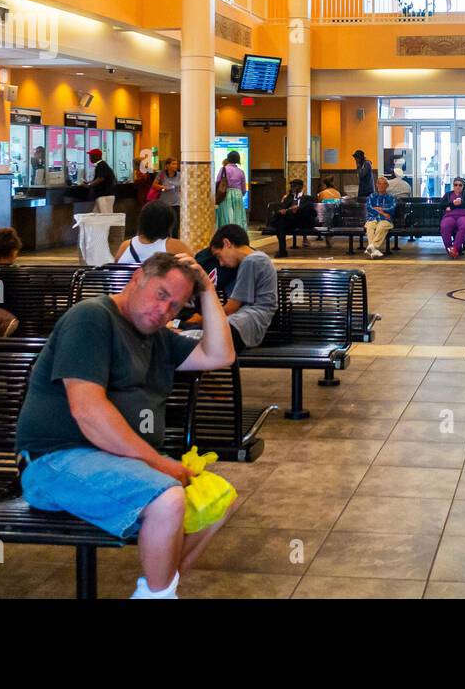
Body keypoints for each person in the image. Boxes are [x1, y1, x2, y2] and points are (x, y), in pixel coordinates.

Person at [14, 252, 237, 599]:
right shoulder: (92, 318)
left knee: (218, 500)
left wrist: (207, 290)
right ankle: (159, 594)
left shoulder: (156, 335)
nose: (163, 311)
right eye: (161, 294)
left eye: (175, 306)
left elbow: (220, 355)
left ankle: (156, 592)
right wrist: (159, 463)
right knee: (168, 500)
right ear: (136, 279)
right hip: (55, 461)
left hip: (115, 462)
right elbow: (87, 410)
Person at [186, 225, 279, 352]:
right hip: (247, 320)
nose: (221, 263)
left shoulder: (251, 261)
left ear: (227, 243)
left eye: (219, 256)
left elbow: (232, 307)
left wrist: (203, 318)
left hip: (248, 321)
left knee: (194, 339)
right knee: (195, 337)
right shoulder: (258, 258)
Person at [115, 202, 193, 264]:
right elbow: (193, 268)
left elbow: (116, 267)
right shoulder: (176, 246)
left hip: (127, 284)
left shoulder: (125, 246)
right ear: (168, 223)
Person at [271, 179, 316, 259]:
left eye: (294, 186)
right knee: (281, 222)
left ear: (301, 187)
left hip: (302, 221)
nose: (293, 188)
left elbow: (310, 209)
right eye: (292, 187)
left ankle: (273, 221)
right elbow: (283, 207)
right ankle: (282, 250)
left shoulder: (307, 198)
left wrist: (298, 208)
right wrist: (283, 210)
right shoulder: (288, 198)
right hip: (290, 221)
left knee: (280, 221)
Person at [439, 177, 465, 258]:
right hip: (449, 215)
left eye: (460, 185)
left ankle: (455, 248)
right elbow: (442, 205)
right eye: (455, 185)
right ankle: (449, 248)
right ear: (453, 185)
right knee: (445, 226)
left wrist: (454, 205)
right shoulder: (448, 194)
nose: (457, 187)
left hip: (463, 215)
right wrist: (453, 204)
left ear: (463, 186)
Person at [364, 175, 397, 258]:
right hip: (372, 218)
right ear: (376, 185)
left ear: (387, 186)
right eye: (379, 183)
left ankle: (371, 247)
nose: (381, 186)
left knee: (382, 226)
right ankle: (373, 250)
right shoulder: (372, 196)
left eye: (384, 184)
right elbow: (369, 208)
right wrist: (383, 212)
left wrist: (379, 209)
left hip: (386, 220)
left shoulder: (391, 198)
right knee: (370, 226)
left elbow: (392, 209)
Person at [215, 151, 248, 230]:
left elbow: (218, 181)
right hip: (238, 194)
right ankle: (237, 233)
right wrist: (241, 194)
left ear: (228, 158)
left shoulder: (224, 169)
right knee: (238, 216)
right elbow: (243, 188)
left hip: (226, 193)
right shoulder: (241, 172)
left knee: (226, 215)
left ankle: (226, 232)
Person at [150, 158, 182, 236]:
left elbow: (182, 187)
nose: (175, 166)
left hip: (176, 203)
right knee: (165, 222)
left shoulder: (179, 175)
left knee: (175, 223)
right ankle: (164, 238)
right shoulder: (161, 174)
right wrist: (163, 187)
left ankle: (174, 240)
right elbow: (154, 185)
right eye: (173, 164)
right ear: (167, 165)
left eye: (176, 164)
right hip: (164, 203)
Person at [84, 148, 118, 213]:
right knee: (95, 215)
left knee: (106, 216)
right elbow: (100, 178)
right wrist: (89, 182)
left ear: (97, 156)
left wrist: (89, 185)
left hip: (105, 196)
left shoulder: (101, 165)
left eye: (91, 156)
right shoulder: (103, 165)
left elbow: (101, 179)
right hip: (104, 195)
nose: (90, 158)